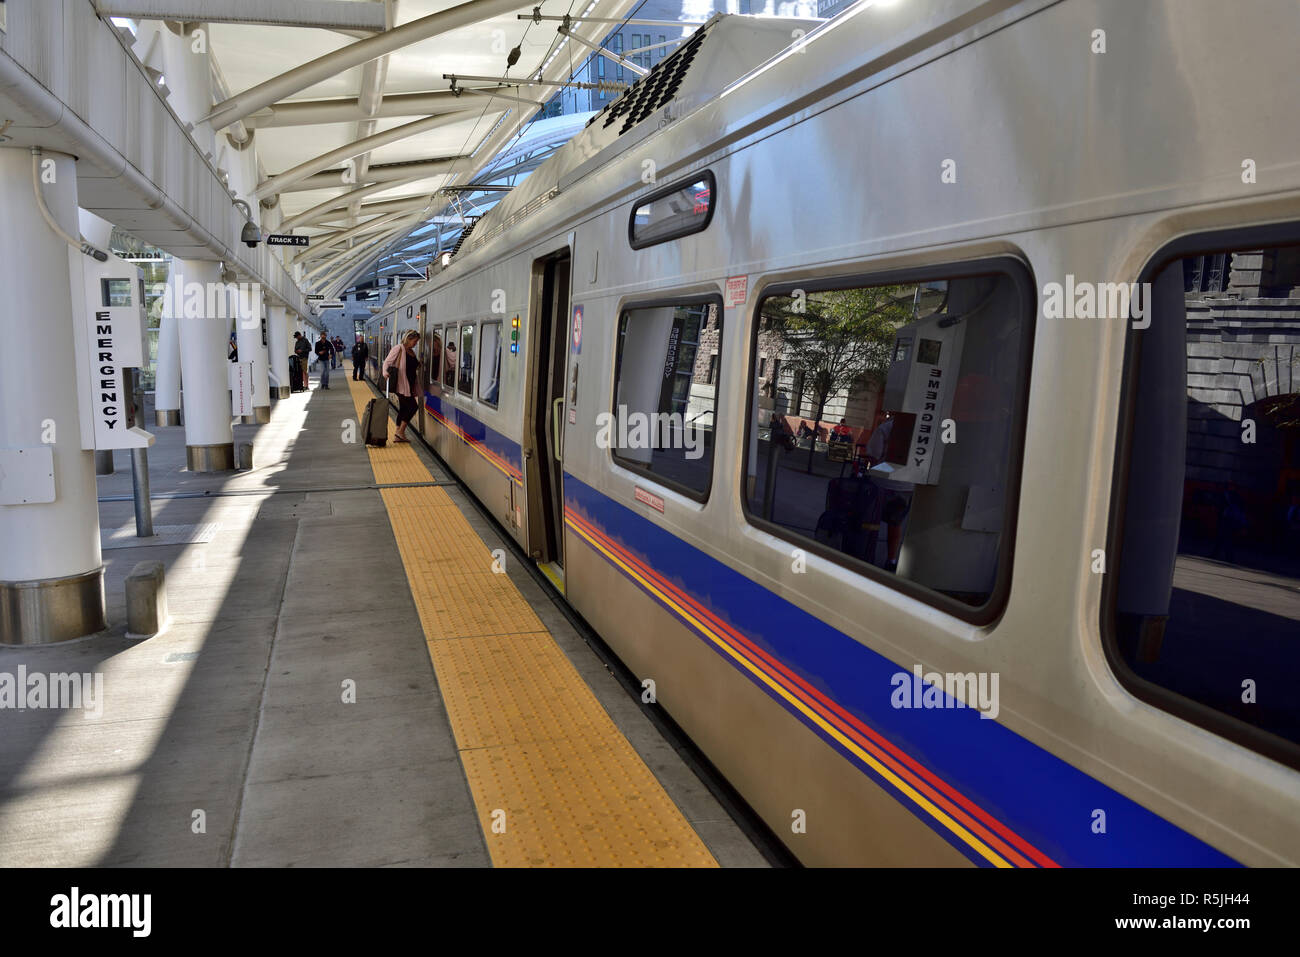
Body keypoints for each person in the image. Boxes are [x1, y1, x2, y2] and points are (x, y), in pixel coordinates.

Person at [383, 330, 423, 443]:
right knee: (413, 407)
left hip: (409, 384)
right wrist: (385, 373)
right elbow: (387, 362)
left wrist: (419, 363)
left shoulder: (411, 351)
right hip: (400, 384)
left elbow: (412, 364)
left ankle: (398, 435)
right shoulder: (399, 348)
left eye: (417, 342)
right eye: (414, 341)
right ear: (408, 339)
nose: (415, 344)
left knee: (403, 408)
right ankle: (400, 431)